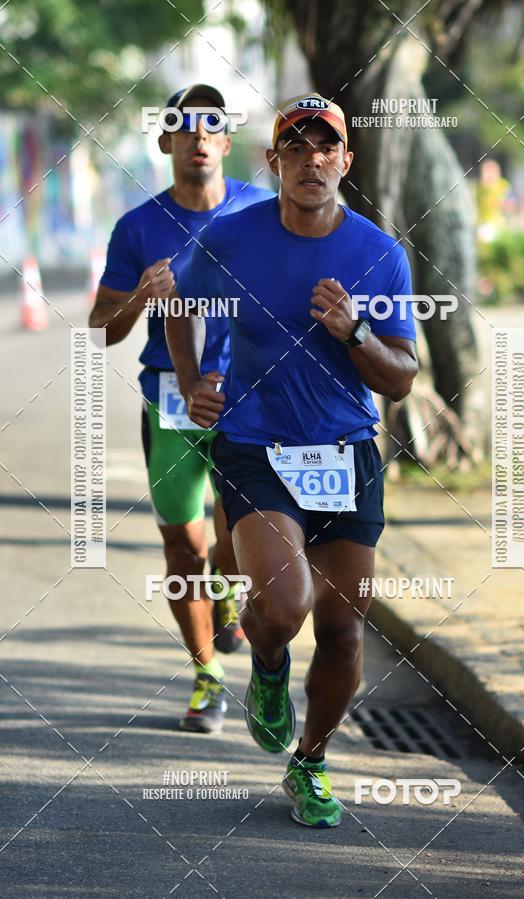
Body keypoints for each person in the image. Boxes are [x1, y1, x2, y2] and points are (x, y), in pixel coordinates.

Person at [166, 93, 418, 826]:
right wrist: (192, 385)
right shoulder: (228, 241)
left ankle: (309, 762)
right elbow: (178, 303)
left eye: (326, 147)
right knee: (285, 603)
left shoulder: (379, 253)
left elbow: (401, 374)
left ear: (346, 159)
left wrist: (353, 333)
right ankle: (268, 662)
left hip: (348, 452)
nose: (313, 160)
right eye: (297, 148)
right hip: (255, 447)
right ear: (273, 162)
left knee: (342, 629)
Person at [89, 84, 272, 734]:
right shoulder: (138, 227)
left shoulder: (264, 211)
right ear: (165, 140)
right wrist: (141, 295)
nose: (199, 136)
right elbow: (100, 328)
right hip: (168, 404)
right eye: (185, 126)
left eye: (212, 125)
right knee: (182, 546)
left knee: (238, 545)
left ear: (226, 140)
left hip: (245, 403)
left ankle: (229, 599)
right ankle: (207, 677)